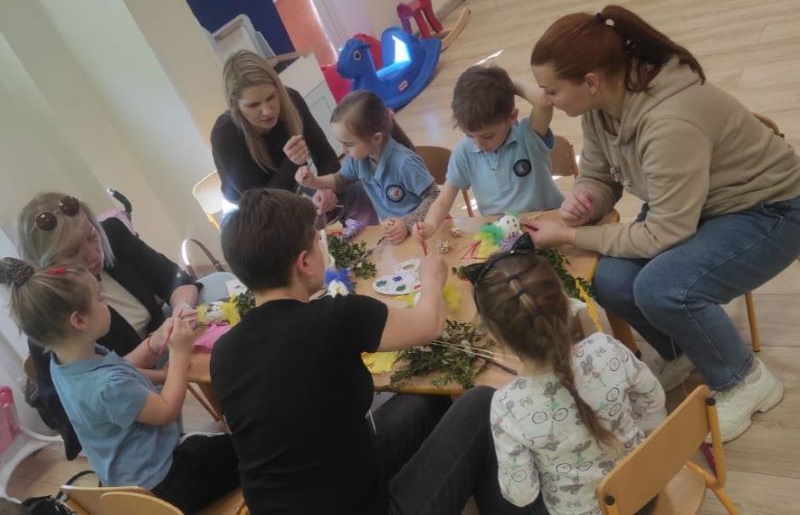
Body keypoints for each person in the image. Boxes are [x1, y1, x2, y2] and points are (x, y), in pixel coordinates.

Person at [526, 5, 800, 442]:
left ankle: (746, 380)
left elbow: (665, 232)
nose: (546, 100)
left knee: (663, 288)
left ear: (590, 81)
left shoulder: (670, 120)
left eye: (551, 90)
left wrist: (572, 233)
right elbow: (599, 174)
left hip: (770, 210)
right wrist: (587, 198)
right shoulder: (600, 106)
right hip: (698, 206)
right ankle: (683, 350)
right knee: (608, 277)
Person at [210, 188, 532, 515]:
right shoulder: (337, 316)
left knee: (424, 402)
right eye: (317, 242)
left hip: (319, 488)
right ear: (304, 262)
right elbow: (430, 325)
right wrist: (431, 278)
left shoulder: (222, 353)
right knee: (481, 403)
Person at [0, 259, 239, 513]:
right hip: (164, 482)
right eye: (100, 299)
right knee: (251, 446)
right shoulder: (106, 387)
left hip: (130, 478)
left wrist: (160, 362)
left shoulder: (66, 363)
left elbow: (123, 371)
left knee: (220, 445)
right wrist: (179, 353)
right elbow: (167, 410)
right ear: (79, 320)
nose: (106, 304)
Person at [465, 232, 665, 514]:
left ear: (495, 336)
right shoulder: (606, 347)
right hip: (644, 492)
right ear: (567, 303)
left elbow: (521, 494)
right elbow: (654, 402)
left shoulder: (507, 406)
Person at [17, 193, 202, 459]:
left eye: (92, 237)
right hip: (139, 439)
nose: (93, 254)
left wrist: (180, 311)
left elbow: (175, 279)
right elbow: (114, 385)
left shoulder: (114, 235)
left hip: (140, 376)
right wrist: (164, 353)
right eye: (72, 253)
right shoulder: (55, 326)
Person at [211, 49, 376, 224]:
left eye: (271, 97)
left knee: (362, 193)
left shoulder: (291, 99)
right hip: (253, 212)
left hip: (294, 185)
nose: (267, 111)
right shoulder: (225, 133)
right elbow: (263, 207)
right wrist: (292, 163)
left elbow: (325, 155)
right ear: (236, 106)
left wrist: (324, 190)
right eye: (253, 105)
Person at [415, 65, 563, 241]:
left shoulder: (529, 135)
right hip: (503, 235)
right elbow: (443, 202)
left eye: (487, 136)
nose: (479, 144)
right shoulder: (464, 152)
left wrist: (505, 85)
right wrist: (430, 225)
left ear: (511, 117)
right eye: (470, 135)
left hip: (549, 225)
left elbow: (543, 100)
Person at [296, 90, 439, 244]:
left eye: (349, 144)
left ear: (376, 138)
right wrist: (313, 181)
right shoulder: (359, 159)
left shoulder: (404, 163)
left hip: (426, 232)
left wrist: (406, 224)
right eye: (341, 143)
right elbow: (340, 180)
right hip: (397, 236)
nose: (343, 150)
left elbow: (435, 197)